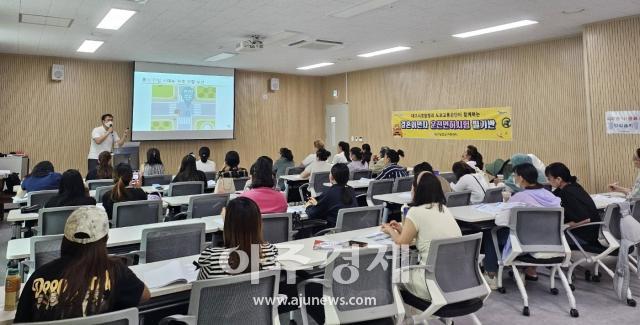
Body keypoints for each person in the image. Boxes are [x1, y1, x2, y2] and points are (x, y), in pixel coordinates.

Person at [14, 206, 150, 322]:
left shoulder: (39, 277)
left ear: (65, 239)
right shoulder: (117, 271)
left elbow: (21, 321)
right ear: (105, 240)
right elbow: (145, 296)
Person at [381, 171, 462, 301]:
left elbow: (401, 243)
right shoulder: (444, 209)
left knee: (392, 275)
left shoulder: (415, 212)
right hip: (455, 279)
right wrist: (403, 229)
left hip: (430, 283)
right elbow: (427, 235)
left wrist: (390, 230)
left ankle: (402, 317)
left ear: (417, 190)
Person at [483, 163, 561, 288]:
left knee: (491, 233)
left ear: (522, 178)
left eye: (515, 175)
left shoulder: (520, 197)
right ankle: (520, 270)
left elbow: (500, 221)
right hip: (550, 241)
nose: (514, 178)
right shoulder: (551, 196)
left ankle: (491, 274)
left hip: (525, 241)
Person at [196, 197, 278, 279]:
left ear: (227, 225)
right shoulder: (270, 251)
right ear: (258, 223)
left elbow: (199, 289)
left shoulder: (210, 257)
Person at [545, 162, 600, 244]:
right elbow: (550, 196)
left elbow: (586, 219)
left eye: (549, 179)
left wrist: (563, 227)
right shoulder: (573, 186)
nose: (548, 182)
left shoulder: (567, 192)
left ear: (559, 179)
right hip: (593, 233)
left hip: (583, 237)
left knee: (546, 236)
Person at [305, 163, 357, 228]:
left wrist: (308, 206)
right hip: (350, 229)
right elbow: (335, 206)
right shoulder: (351, 190)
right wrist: (318, 204)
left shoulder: (330, 192)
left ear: (332, 176)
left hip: (332, 231)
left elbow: (312, 214)